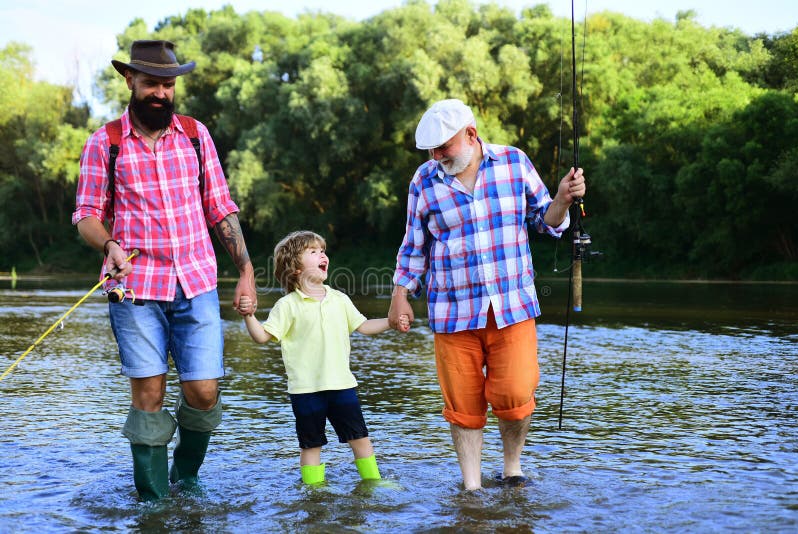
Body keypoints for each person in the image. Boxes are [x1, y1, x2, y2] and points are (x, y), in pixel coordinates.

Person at [72, 40, 257, 501]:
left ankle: (186, 477)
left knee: (203, 391)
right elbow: (86, 214)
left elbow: (220, 207)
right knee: (149, 396)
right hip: (134, 291)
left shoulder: (196, 135)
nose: (160, 92)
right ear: (130, 80)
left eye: (168, 84)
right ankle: (153, 502)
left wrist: (247, 269)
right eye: (151, 82)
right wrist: (110, 243)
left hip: (196, 284)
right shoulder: (105, 143)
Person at [387, 99, 586, 490]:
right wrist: (400, 293)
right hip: (451, 310)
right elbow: (414, 244)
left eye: (443, 147)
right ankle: (472, 486)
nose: (436, 156)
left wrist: (562, 200)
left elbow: (546, 223)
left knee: (514, 394)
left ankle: (513, 467)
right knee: (462, 405)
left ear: (471, 134)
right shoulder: (423, 180)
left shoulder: (514, 162)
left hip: (511, 306)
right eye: (431, 149)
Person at [238, 230, 409, 485]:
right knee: (311, 445)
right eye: (313, 251)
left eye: (323, 251)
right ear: (295, 268)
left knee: (360, 438)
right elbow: (262, 337)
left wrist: (391, 322)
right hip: (305, 390)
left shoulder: (339, 299)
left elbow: (363, 325)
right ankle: (314, 490)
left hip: (342, 385)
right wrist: (249, 316)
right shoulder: (287, 306)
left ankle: (374, 482)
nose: (323, 255)